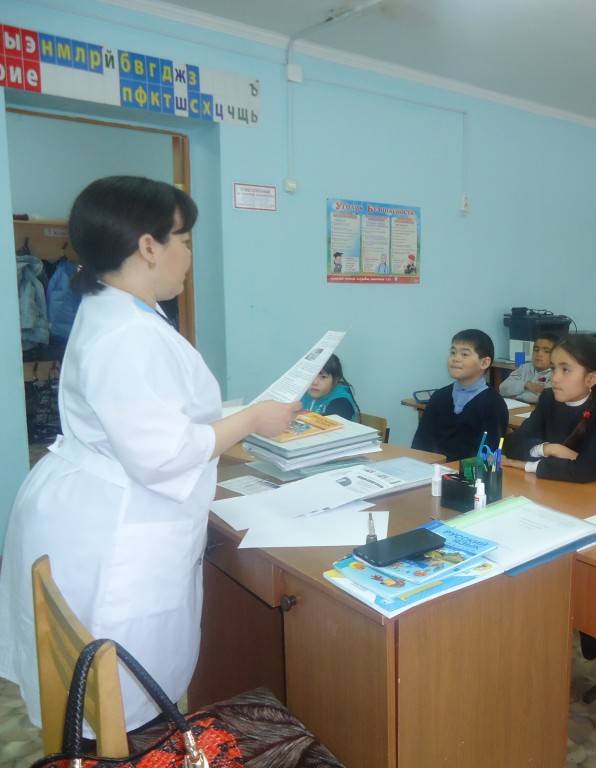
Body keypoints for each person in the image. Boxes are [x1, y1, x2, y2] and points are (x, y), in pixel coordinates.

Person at [0, 177, 300, 733]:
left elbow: (145, 415)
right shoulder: (130, 333)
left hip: (85, 505)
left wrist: (226, 416)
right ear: (148, 246)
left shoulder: (112, 309)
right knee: (121, 698)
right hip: (115, 527)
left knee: (91, 690)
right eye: (183, 240)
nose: (188, 255)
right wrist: (252, 420)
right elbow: (162, 455)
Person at [503, 334, 596, 484]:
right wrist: (546, 449)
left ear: (591, 379)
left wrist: (535, 462)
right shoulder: (548, 398)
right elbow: (513, 444)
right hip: (550, 483)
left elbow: (586, 471)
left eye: (565, 370)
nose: (554, 378)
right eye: (553, 368)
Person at [412, 329, 508, 461]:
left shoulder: (493, 403)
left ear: (484, 363)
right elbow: (420, 443)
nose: (455, 358)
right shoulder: (439, 396)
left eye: (464, 354)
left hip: (469, 471)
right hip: (433, 468)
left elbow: (488, 454)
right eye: (453, 352)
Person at [498, 332, 558, 404]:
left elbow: (539, 397)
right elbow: (503, 388)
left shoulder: (555, 374)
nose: (539, 354)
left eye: (546, 351)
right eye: (536, 349)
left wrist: (516, 397)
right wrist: (526, 385)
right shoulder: (524, 368)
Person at [301, 353, 360, 421]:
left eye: (323, 377)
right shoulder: (301, 393)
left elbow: (330, 426)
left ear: (335, 380)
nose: (315, 382)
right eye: (311, 376)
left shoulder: (342, 402)